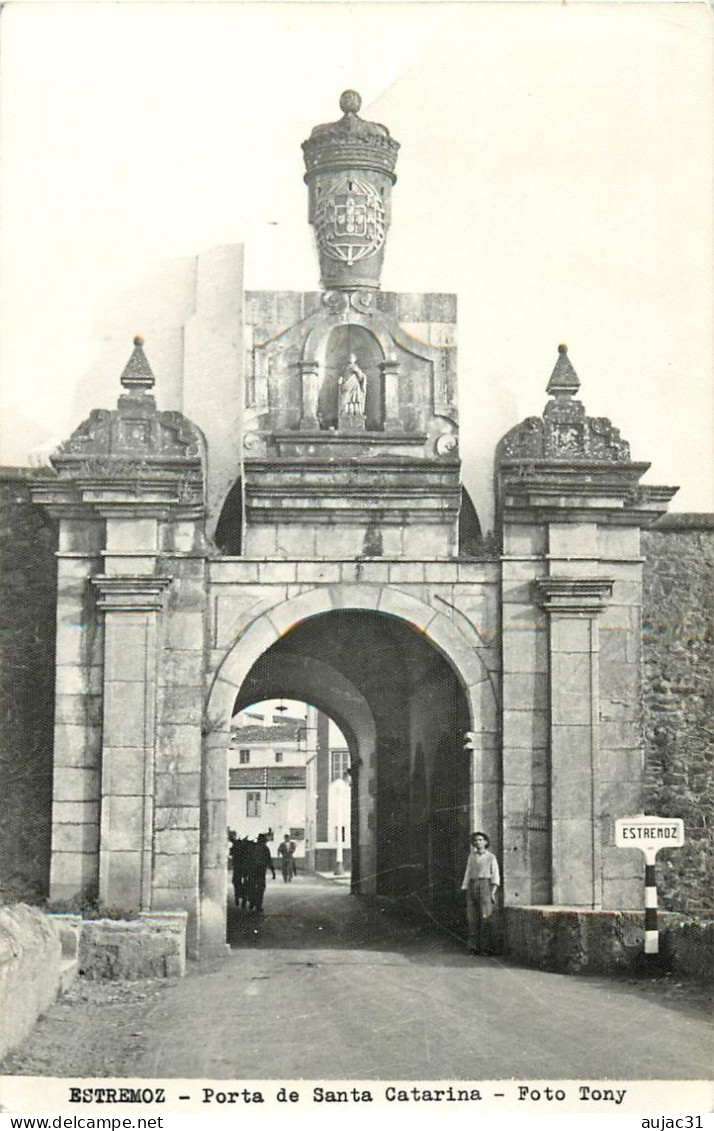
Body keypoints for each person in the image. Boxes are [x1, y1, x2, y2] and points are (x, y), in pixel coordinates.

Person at [461, 831, 500, 955]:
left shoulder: (490, 857)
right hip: (473, 885)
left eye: (480, 840)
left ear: (486, 842)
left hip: (485, 885)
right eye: (475, 840)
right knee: (472, 917)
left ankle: (486, 948)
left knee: (485, 917)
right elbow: (468, 872)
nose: (478, 842)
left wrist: (493, 891)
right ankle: (473, 947)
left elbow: (495, 875)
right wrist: (465, 887)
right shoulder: (471, 856)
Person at [246, 832, 276, 913]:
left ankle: (252, 901)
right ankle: (258, 905)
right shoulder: (265, 849)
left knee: (251, 886)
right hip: (261, 871)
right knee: (260, 888)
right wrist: (273, 872)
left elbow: (247, 859)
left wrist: (246, 870)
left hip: (252, 870)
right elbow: (269, 861)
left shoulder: (252, 848)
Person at [338, 354, 367, 418]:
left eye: (352, 357)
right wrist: (341, 379)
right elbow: (342, 375)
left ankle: (356, 412)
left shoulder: (356, 367)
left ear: (355, 359)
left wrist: (359, 372)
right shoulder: (345, 368)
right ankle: (345, 412)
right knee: (346, 399)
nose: (351, 358)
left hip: (354, 385)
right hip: (346, 385)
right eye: (350, 357)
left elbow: (361, 377)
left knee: (355, 399)